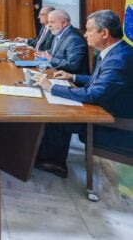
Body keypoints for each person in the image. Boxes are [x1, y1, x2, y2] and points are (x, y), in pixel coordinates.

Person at [34, 10, 133, 178]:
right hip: (106, 110)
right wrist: (73, 76)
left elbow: (94, 94)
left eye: (89, 30)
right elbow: (98, 80)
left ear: (104, 33)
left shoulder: (118, 59)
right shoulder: (117, 51)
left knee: (57, 117)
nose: (85, 35)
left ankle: (54, 163)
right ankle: (46, 155)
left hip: (114, 123)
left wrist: (52, 87)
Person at [35, 9, 89, 74]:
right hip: (56, 72)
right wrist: (44, 53)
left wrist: (50, 59)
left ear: (64, 23)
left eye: (52, 22)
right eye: (49, 22)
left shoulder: (74, 39)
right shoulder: (58, 32)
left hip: (71, 80)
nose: (49, 25)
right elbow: (56, 51)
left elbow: (73, 65)